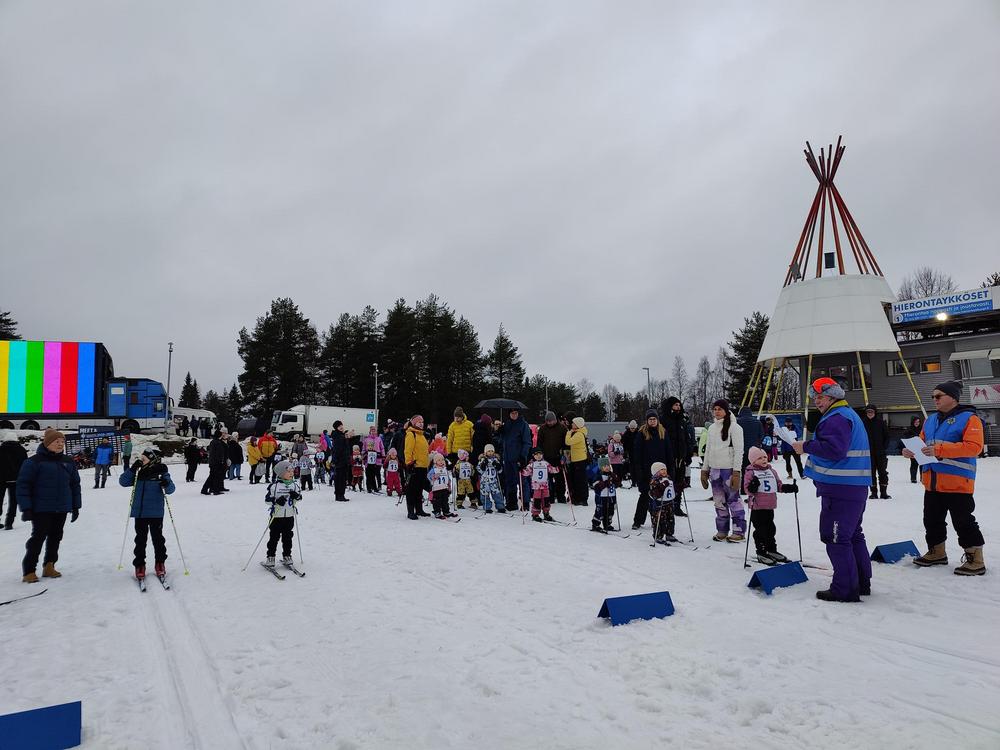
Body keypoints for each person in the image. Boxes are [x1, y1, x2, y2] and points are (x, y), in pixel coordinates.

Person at [794, 377, 872, 602]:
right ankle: (861, 582)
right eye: (815, 398)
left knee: (836, 538)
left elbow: (835, 450)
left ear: (833, 397)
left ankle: (844, 589)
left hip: (840, 489)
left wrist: (805, 446)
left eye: (821, 397)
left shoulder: (836, 417)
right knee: (853, 536)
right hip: (853, 487)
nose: (817, 402)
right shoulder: (847, 414)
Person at [903, 381, 986, 576]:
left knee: (963, 522)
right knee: (931, 520)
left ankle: (976, 560)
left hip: (957, 483)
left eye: (939, 396)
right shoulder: (930, 420)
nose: (935, 399)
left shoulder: (970, 418)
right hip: (932, 482)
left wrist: (939, 450)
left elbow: (974, 447)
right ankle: (937, 552)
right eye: (933, 396)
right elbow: (923, 442)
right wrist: (912, 451)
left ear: (953, 397)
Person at [18, 429, 82, 583]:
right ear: (47, 444)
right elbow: (23, 485)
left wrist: (75, 506)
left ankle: (49, 565)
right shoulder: (34, 462)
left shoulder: (68, 461)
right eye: (56, 442)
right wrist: (26, 508)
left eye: (62, 442)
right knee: (38, 538)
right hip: (41, 508)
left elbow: (75, 484)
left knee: (56, 537)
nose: (60, 444)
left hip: (61, 507)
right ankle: (29, 570)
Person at [120, 448, 175, 581]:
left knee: (158, 539)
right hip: (140, 513)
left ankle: (160, 562)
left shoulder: (161, 471)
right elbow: (123, 482)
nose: (141, 460)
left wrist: (166, 483)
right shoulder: (138, 472)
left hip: (156, 512)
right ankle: (139, 564)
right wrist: (132, 469)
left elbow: (171, 489)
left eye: (144, 458)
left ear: (152, 460)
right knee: (140, 540)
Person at [744, 446, 797, 565]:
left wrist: (789, 488)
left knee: (770, 529)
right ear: (753, 461)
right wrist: (753, 486)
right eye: (759, 458)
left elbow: (778, 486)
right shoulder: (750, 472)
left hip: (770, 506)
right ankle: (761, 552)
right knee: (760, 531)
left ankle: (771, 550)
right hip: (757, 507)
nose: (764, 459)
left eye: (764, 457)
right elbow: (747, 489)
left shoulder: (771, 471)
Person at [701, 399, 745, 543]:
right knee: (719, 501)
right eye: (715, 409)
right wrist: (704, 469)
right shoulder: (712, 428)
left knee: (733, 500)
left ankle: (738, 530)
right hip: (715, 470)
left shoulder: (735, 428)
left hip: (729, 470)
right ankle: (722, 529)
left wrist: (737, 472)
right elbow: (708, 450)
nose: (717, 412)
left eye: (720, 409)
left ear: (726, 411)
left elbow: (739, 451)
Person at [630, 409, 674, 529]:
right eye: (650, 419)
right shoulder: (641, 433)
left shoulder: (663, 432)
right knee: (645, 495)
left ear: (657, 420)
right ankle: (638, 520)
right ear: (647, 421)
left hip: (661, 470)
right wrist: (638, 472)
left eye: (654, 419)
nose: (652, 421)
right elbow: (637, 454)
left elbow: (669, 452)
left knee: (660, 496)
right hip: (646, 470)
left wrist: (671, 469)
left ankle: (660, 519)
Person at [263, 460, 302, 568]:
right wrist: (276, 501)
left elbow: (299, 498)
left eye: (292, 471)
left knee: (288, 537)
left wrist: (296, 496)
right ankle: (270, 556)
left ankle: (287, 555)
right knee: (274, 537)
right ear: (281, 473)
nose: (291, 473)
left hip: (289, 516)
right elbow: (267, 500)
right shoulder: (274, 486)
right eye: (288, 471)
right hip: (276, 517)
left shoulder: (294, 485)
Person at [661, 397, 691, 515]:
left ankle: (677, 506)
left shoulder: (682, 421)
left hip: (680, 458)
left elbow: (686, 439)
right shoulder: (664, 420)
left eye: (679, 405)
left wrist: (688, 454)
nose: (678, 407)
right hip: (668, 457)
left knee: (679, 483)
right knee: (667, 482)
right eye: (675, 405)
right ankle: (665, 505)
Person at [501, 408, 533, 511]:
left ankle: (525, 503)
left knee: (522, 481)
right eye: (512, 413)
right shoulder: (506, 424)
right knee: (509, 481)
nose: (514, 415)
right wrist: (499, 431)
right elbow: (502, 440)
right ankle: (511, 502)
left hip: (518, 458)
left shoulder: (523, 424)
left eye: (516, 413)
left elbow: (527, 442)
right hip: (507, 457)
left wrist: (523, 456)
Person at [536, 411, 568, 503]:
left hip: (558, 457)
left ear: (555, 420)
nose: (549, 423)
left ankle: (561, 496)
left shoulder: (562, 428)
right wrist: (540, 454)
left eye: (551, 421)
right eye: (547, 421)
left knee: (559, 478)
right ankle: (549, 496)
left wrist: (564, 454)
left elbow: (566, 443)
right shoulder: (542, 428)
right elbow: (539, 443)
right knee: (548, 478)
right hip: (546, 457)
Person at [404, 415, 431, 519]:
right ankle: (410, 511)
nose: (421, 424)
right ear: (414, 423)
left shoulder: (422, 435)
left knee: (419, 490)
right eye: (419, 422)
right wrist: (409, 463)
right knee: (411, 490)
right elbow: (408, 450)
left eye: (422, 422)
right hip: (415, 466)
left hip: (423, 466)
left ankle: (419, 509)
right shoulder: (411, 434)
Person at [861, 404, 890, 499]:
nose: (870, 413)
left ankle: (884, 493)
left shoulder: (880, 423)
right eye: (868, 412)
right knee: (871, 473)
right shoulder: (862, 423)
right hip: (868, 454)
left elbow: (887, 436)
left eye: (872, 411)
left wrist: (884, 447)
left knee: (883, 473)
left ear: (875, 412)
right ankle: (873, 493)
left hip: (880, 453)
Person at [1, 432, 28, 530]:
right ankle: (9, 522)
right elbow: (25, 465)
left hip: (1, 479)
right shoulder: (21, 450)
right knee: (13, 502)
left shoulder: (1, 449)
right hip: (16, 480)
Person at [524, 446, 557, 522]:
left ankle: (546, 513)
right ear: (533, 455)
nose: (539, 456)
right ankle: (535, 514)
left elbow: (551, 469)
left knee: (546, 500)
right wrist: (522, 470)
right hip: (537, 486)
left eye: (540, 454)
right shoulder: (532, 464)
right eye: (536, 454)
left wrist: (558, 468)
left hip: (545, 485)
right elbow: (527, 472)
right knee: (537, 500)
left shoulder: (545, 463)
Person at [648, 462, 677, 544]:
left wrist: (679, 487)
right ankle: (658, 535)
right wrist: (662, 486)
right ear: (656, 471)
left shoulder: (668, 479)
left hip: (669, 503)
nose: (664, 471)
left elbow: (672, 489)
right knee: (660, 520)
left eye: (665, 469)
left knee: (670, 519)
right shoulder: (654, 481)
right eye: (661, 470)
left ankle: (669, 534)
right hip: (659, 505)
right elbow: (655, 494)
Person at [565, 416, 590, 507]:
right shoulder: (579, 433)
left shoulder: (579, 434)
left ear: (577, 425)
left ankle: (583, 499)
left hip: (579, 460)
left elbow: (568, 442)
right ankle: (578, 497)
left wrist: (568, 433)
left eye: (573, 423)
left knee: (580, 480)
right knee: (578, 479)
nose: (572, 424)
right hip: (577, 459)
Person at [736, 406, 763, 483]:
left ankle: (744, 486)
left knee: (743, 470)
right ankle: (754, 485)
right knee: (754, 469)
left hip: (741, 450)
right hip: (754, 451)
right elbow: (761, 435)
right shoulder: (757, 422)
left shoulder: (737, 422)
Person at [590, 461, 619, 531]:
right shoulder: (599, 475)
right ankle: (595, 524)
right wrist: (605, 483)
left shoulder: (612, 475)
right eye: (604, 466)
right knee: (601, 511)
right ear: (601, 468)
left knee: (610, 510)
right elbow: (596, 486)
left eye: (608, 466)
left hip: (611, 496)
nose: (607, 467)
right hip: (601, 497)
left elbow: (617, 483)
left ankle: (607, 524)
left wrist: (616, 482)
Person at [477, 445, 504, 514]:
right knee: (485, 494)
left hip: (493, 480)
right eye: (489, 451)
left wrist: (498, 466)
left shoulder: (495, 459)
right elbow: (479, 470)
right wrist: (483, 465)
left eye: (492, 451)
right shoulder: (482, 459)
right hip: (485, 481)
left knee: (497, 494)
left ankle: (500, 506)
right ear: (485, 452)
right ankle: (487, 507)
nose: (490, 453)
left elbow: (500, 471)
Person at [201, 429, 228, 495]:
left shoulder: (214, 441)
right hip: (216, 463)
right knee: (215, 476)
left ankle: (206, 489)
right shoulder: (217, 442)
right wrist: (221, 461)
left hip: (213, 462)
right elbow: (218, 454)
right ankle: (214, 490)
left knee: (212, 476)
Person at [427, 453, 455, 518]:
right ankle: (437, 512)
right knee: (437, 501)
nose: (441, 461)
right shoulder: (434, 469)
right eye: (439, 460)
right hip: (436, 488)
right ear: (435, 462)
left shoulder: (445, 469)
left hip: (444, 487)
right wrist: (434, 476)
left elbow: (447, 477)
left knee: (445, 500)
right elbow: (428, 476)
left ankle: (446, 511)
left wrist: (449, 484)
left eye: (442, 460)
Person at [330, 421, 350, 502]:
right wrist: (335, 461)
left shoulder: (341, 435)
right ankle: (339, 495)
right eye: (339, 426)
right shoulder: (338, 436)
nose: (341, 427)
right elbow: (337, 450)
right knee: (340, 479)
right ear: (336, 428)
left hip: (343, 460)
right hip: (340, 461)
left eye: (341, 425)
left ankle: (340, 494)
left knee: (341, 478)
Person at [361, 426, 385, 493]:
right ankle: (369, 487)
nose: (373, 431)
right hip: (368, 459)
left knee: (374, 474)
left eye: (374, 430)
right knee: (368, 474)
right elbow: (363, 448)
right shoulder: (366, 439)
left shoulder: (379, 439)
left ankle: (374, 487)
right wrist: (363, 455)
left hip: (376, 459)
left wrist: (383, 455)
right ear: (370, 431)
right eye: (372, 430)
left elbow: (382, 448)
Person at [902, 415, 924, 484]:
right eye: (915, 422)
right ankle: (913, 478)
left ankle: (922, 478)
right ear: (912, 422)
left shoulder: (922, 429)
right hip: (913, 450)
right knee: (914, 464)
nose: (917, 423)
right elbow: (905, 438)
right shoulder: (909, 430)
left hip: (921, 449)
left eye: (918, 422)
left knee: (922, 464)